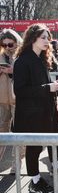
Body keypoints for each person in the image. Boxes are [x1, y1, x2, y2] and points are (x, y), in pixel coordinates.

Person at [13, 23, 58, 193]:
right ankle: (34, 180)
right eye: (43, 37)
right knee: (34, 147)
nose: (47, 41)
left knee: (54, 137)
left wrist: (53, 87)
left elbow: (43, 85)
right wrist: (47, 87)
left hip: (47, 110)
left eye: (48, 37)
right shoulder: (22, 61)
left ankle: (56, 166)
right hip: (31, 113)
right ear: (33, 38)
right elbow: (20, 90)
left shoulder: (41, 58)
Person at [0, 29, 25, 171]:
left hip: (18, 100)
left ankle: (17, 163)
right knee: (1, 131)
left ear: (16, 42)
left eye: (10, 44)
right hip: (2, 100)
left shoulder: (22, 55)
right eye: (4, 45)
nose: (7, 48)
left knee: (19, 132)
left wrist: (13, 71)